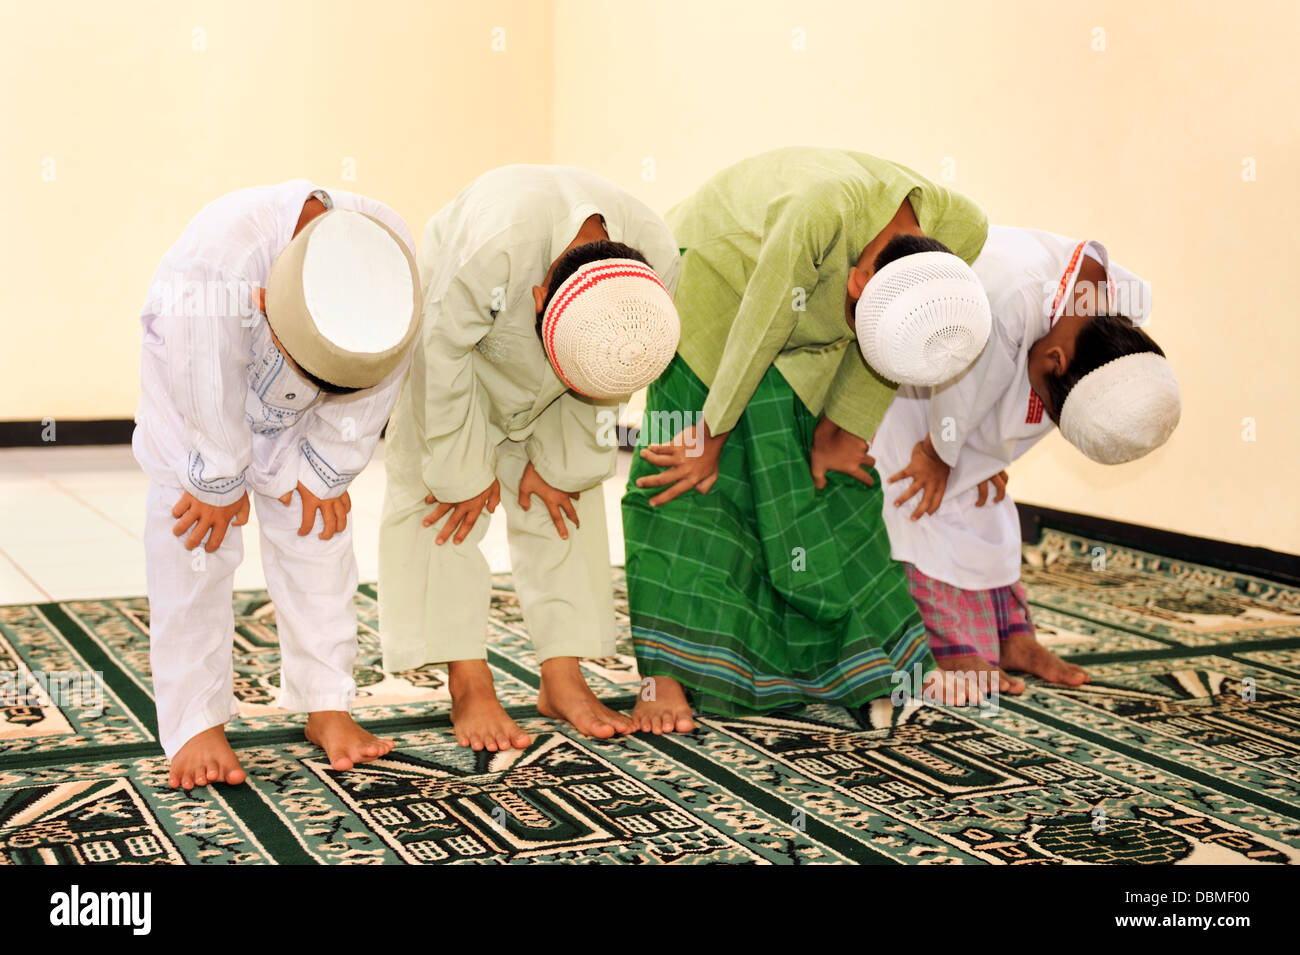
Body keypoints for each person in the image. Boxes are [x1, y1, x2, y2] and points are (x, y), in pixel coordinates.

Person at [623, 147, 992, 733]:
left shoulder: (962, 230)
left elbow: (907, 338)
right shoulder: (820, 214)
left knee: (829, 477)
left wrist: (847, 429)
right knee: (685, 473)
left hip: (812, 326)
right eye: (861, 307)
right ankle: (663, 674)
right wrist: (713, 432)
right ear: (857, 279)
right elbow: (763, 321)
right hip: (711, 280)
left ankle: (846, 659)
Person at [379, 164, 680, 752]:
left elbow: (622, 362)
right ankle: (469, 680)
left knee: (563, 497)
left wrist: (562, 464)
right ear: (540, 294)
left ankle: (562, 676)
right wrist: (464, 474)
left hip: (578, 380)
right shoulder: (493, 250)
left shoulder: (657, 262)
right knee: (447, 505)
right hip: (459, 355)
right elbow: (443, 354)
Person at [134, 181, 422, 789]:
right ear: (266, 303)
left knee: (319, 531)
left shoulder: (387, 253)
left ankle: (328, 704)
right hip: (194, 408)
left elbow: (385, 373)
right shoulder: (216, 265)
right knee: (195, 540)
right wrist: (217, 479)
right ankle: (194, 724)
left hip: (315, 410)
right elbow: (203, 381)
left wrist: (330, 467)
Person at [870, 225, 1179, 692]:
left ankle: (1014, 637)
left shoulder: (1123, 306)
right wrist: (938, 453)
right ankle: (952, 648)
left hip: (974, 390)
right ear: (1055, 359)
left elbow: (1038, 401)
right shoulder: (1011, 295)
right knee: (914, 498)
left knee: (984, 504)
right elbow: (966, 387)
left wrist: (987, 456)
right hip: (925, 372)